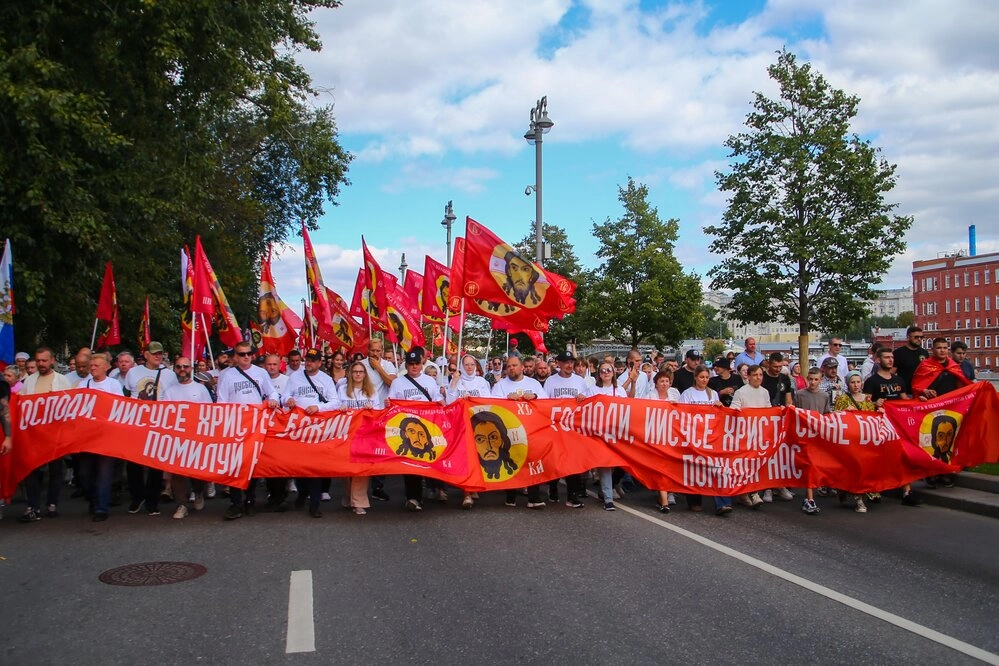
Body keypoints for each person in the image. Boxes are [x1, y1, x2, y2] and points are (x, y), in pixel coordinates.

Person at [216, 341, 279, 520]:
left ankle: (250, 499)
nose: (245, 357)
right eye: (241, 354)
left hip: (256, 425)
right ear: (235, 356)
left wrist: (272, 400)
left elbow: (272, 393)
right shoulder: (226, 375)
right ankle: (235, 503)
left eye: (248, 353)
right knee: (236, 465)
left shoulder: (261, 373)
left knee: (252, 464)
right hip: (235, 425)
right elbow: (221, 401)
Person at [121, 341, 178, 516]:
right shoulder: (133, 372)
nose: (158, 356)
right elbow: (126, 395)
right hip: (137, 423)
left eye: (160, 353)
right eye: (154, 353)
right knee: (134, 464)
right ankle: (137, 497)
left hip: (159, 424)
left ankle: (152, 500)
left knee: (155, 464)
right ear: (145, 354)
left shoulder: (169, 375)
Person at [18, 347, 75, 522]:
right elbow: (22, 403)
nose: (41, 364)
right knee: (31, 471)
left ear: (52, 361)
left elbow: (70, 404)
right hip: (34, 434)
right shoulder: (29, 381)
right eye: (38, 361)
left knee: (55, 470)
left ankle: (52, 504)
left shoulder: (62, 380)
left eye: (44, 360)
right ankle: (32, 506)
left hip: (54, 434)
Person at [387, 346, 444, 512]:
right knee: (410, 463)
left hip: (426, 427)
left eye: (416, 363)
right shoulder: (397, 382)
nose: (413, 366)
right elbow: (392, 402)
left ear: (422, 363)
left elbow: (437, 399)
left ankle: (433, 490)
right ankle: (412, 497)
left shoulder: (429, 381)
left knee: (426, 460)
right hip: (407, 429)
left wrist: (440, 401)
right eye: (410, 363)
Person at [862, 348, 921, 507]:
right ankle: (875, 488)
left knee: (901, 457)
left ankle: (907, 491)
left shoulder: (899, 380)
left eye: (892, 357)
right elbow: (864, 403)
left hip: (897, 426)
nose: (890, 360)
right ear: (879, 360)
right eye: (887, 357)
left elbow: (905, 400)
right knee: (879, 458)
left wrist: (918, 401)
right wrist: (874, 403)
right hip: (879, 426)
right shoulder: (871, 381)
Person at [491, 355, 547, 509]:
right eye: (509, 366)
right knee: (512, 460)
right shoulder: (501, 385)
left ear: (522, 367)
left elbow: (546, 400)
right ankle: (511, 497)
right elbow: (491, 403)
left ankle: (534, 498)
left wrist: (535, 396)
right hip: (509, 430)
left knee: (533, 462)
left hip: (531, 430)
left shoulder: (533, 383)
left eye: (514, 365)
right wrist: (505, 398)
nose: (511, 368)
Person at [162, 356, 213, 520]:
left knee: (197, 473)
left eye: (185, 366)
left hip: (197, 436)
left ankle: (198, 492)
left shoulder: (200, 389)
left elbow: (209, 412)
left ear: (191, 369)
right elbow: (165, 414)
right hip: (177, 437)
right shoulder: (169, 391)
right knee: (177, 473)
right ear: (175, 369)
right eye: (178, 367)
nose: (182, 369)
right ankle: (182, 503)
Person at [678, 365, 730, 516]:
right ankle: (694, 500)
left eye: (707, 377)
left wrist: (719, 407)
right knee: (694, 470)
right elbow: (682, 415)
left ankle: (723, 502)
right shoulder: (687, 394)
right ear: (695, 377)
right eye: (701, 377)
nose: (704, 380)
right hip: (693, 437)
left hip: (710, 437)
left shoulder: (712, 394)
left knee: (717, 468)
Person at [540, 350, 588, 508]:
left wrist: (582, 399)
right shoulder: (550, 381)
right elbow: (544, 403)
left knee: (573, 461)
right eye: (566, 362)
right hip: (556, 427)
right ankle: (553, 487)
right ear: (558, 364)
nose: (569, 365)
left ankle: (572, 496)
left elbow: (586, 401)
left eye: (571, 362)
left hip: (573, 427)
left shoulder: (580, 381)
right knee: (556, 460)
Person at [338, 361, 383, 515]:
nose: (357, 374)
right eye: (355, 371)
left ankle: (359, 501)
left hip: (365, 434)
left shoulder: (372, 391)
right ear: (350, 374)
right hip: (346, 433)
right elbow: (335, 407)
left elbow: (378, 411)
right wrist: (341, 408)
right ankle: (348, 495)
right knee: (346, 468)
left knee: (362, 468)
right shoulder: (343, 390)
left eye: (360, 372)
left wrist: (371, 409)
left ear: (365, 374)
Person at [833, 370, 877, 513]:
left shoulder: (868, 400)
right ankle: (858, 499)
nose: (856, 385)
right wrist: (845, 412)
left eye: (858, 382)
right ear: (848, 384)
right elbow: (835, 418)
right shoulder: (843, 399)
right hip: (850, 441)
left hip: (865, 440)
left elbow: (872, 418)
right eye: (853, 382)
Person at [587, 362, 629, 512]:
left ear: (613, 372)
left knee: (622, 463)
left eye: (608, 370)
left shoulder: (620, 390)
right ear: (599, 374)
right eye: (602, 370)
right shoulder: (592, 390)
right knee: (605, 464)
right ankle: (608, 498)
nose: (606, 372)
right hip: (600, 433)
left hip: (617, 432)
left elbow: (626, 410)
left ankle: (605, 489)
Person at [793, 367, 831, 515]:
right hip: (804, 435)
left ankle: (820, 487)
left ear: (821, 380)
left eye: (816, 379)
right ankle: (809, 498)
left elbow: (827, 414)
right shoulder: (800, 394)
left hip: (819, 435)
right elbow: (795, 413)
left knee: (818, 464)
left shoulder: (824, 396)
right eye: (811, 379)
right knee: (808, 465)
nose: (813, 382)